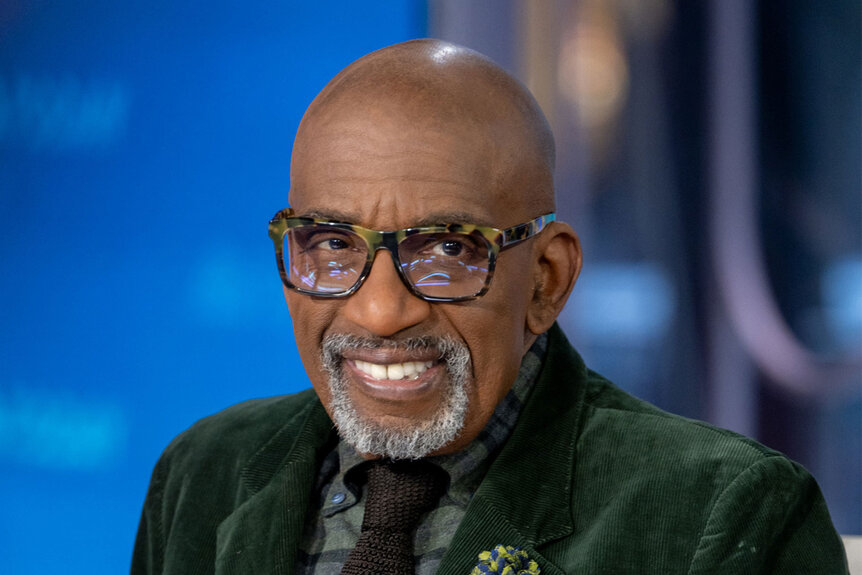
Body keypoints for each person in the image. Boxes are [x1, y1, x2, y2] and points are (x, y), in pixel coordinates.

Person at [131, 39, 848, 575]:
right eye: (332, 245)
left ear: (546, 279)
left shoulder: (725, 515)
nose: (380, 312)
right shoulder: (202, 474)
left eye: (447, 250)